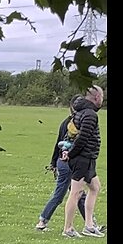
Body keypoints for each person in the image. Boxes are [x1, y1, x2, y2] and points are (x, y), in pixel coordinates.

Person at [33, 97, 88, 232]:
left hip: (65, 162)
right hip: (67, 163)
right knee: (61, 194)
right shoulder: (73, 124)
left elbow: (57, 143)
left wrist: (53, 162)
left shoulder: (66, 122)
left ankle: (90, 224)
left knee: (79, 194)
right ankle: (42, 221)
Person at [60, 86, 104, 238]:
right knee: (76, 193)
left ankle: (89, 226)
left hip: (88, 157)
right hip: (82, 158)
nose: (102, 100)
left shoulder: (79, 111)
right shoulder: (90, 114)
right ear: (97, 98)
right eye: (102, 97)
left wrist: (68, 152)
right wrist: (71, 154)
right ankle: (68, 229)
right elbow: (82, 138)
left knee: (95, 187)